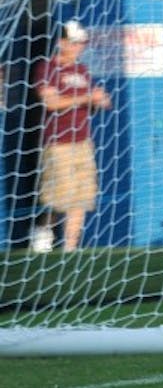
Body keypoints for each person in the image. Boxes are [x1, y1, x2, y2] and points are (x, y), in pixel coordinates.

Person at [32, 19, 110, 253]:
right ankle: (43, 232)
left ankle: (70, 247)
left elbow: (97, 101)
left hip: (83, 141)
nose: (79, 47)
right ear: (61, 42)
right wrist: (86, 98)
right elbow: (51, 101)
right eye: (74, 43)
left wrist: (99, 100)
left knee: (82, 197)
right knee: (58, 198)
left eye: (82, 43)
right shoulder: (46, 68)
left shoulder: (82, 70)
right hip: (59, 142)